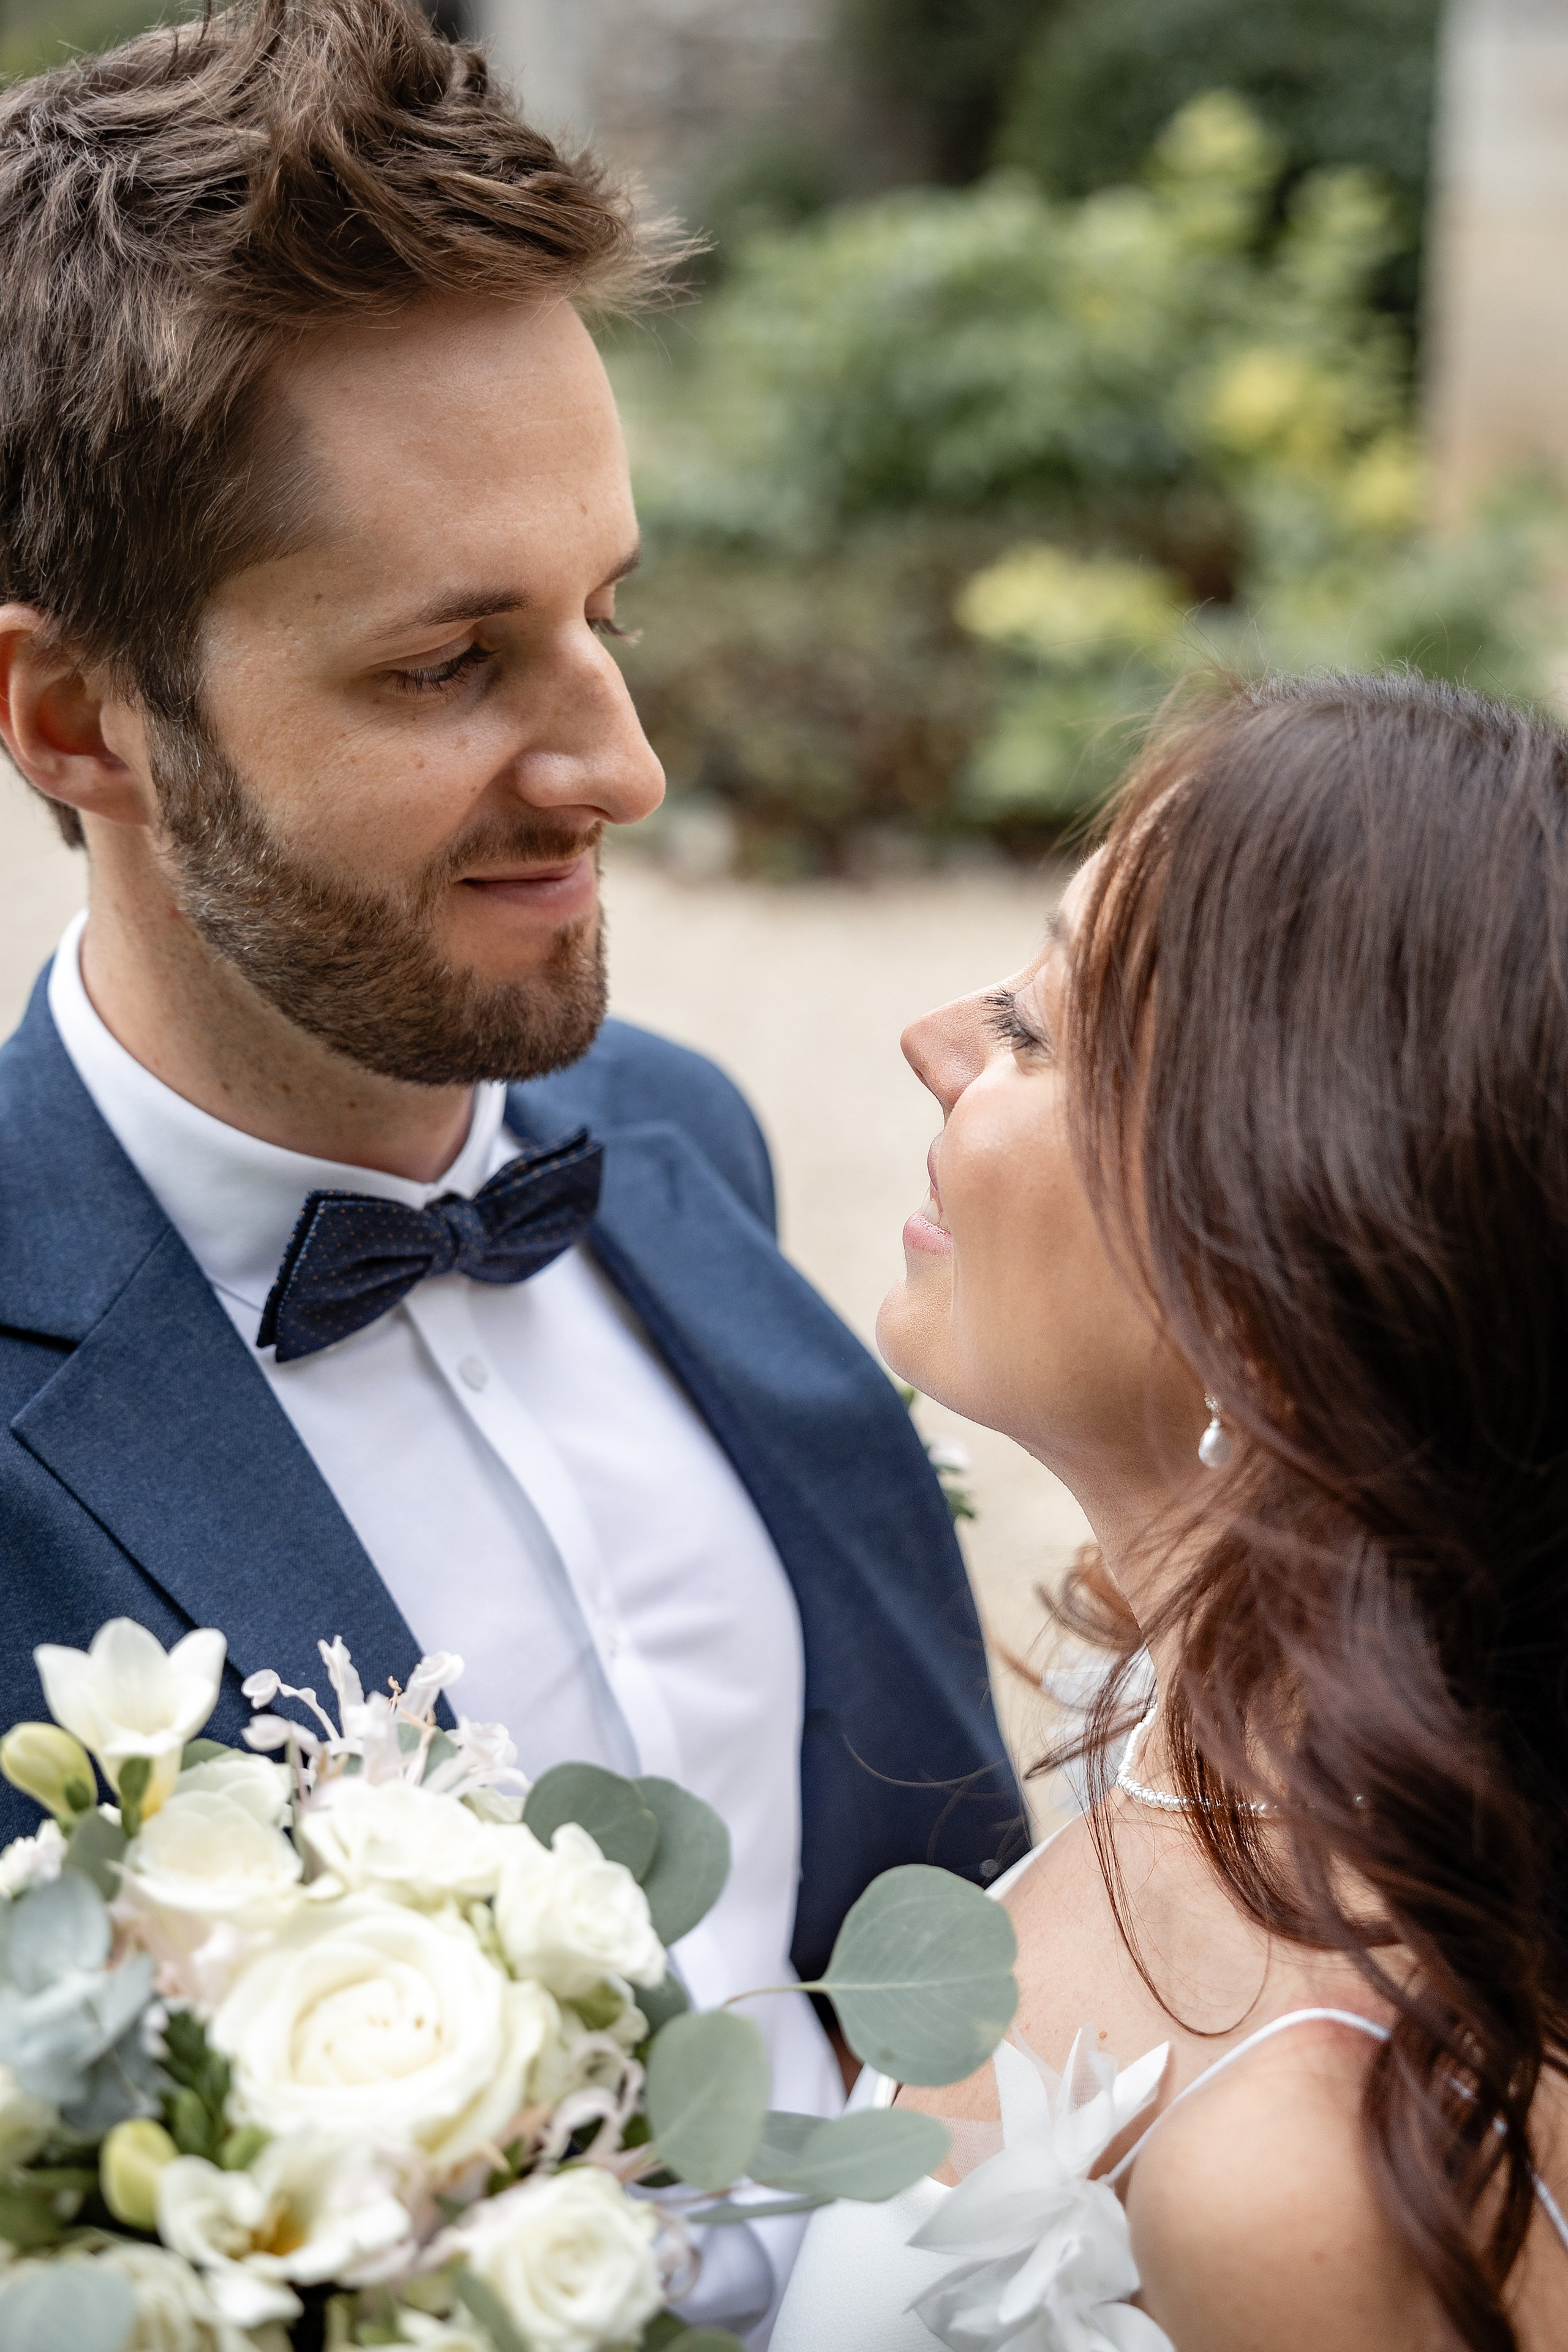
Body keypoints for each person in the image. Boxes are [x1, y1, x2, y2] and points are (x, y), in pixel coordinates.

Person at [0, 1, 1020, 2331]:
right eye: (457, 663)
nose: (623, 766)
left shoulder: (681, 1137)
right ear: (77, 718)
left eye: (609, 611)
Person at [774, 671, 1568, 2352]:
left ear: (1277, 1266)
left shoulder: (1302, 2180)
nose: (935, 1042)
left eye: (1040, 1031)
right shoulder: (1203, 1734)